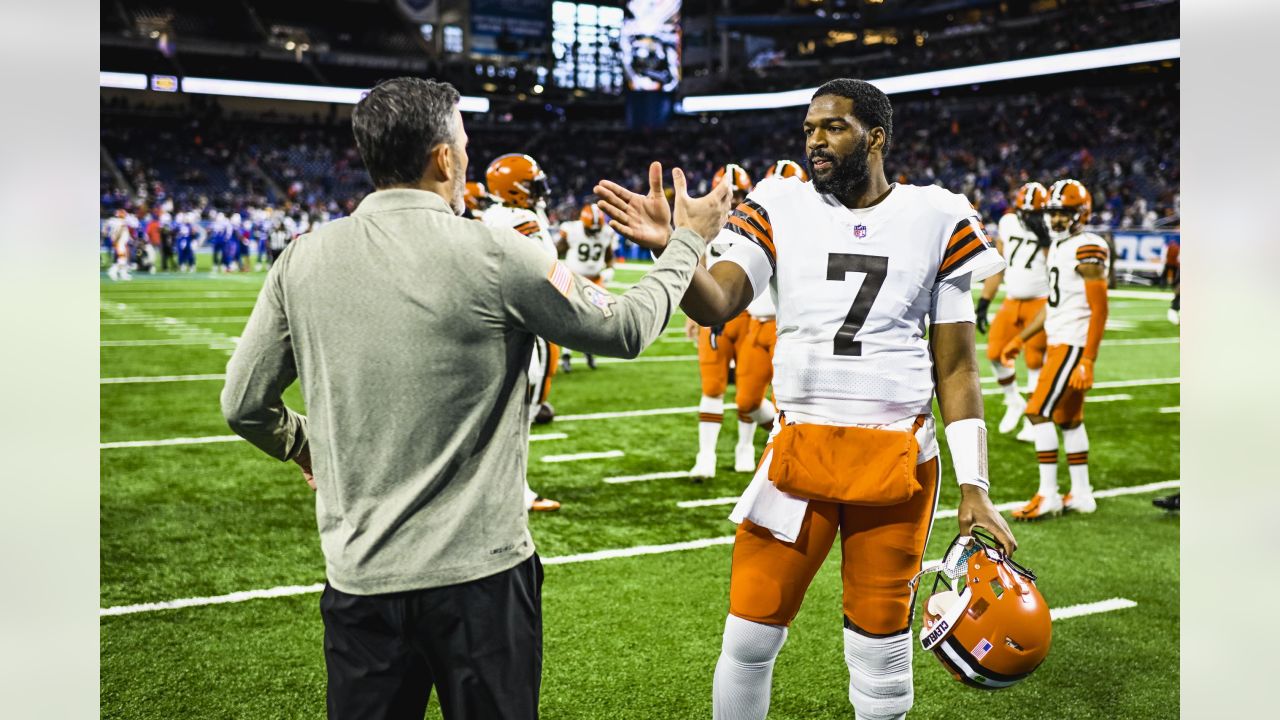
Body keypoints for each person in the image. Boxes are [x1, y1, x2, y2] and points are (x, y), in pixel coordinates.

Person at [221, 77, 730, 720]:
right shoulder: (497, 251)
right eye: (463, 138)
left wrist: (303, 444)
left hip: (359, 578)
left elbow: (243, 403)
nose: (468, 150)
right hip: (480, 578)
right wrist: (686, 241)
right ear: (443, 158)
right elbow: (625, 328)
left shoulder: (301, 259)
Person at [597, 78, 1017, 720]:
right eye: (809, 129)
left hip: (899, 461)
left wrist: (976, 485)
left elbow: (956, 366)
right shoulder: (778, 201)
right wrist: (673, 253)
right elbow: (722, 301)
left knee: (880, 654)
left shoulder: (938, 214)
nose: (816, 141)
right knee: (748, 635)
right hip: (799, 453)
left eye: (833, 127)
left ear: (876, 137)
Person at [1001, 179, 1108, 520]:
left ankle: (1047, 494)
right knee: (1070, 420)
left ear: (1081, 214)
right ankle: (1082, 493)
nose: (1057, 220)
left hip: (1072, 344)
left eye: (1064, 213)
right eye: (1054, 213)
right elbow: (1054, 302)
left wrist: (1088, 358)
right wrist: (1020, 339)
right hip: (1062, 339)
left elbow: (1100, 308)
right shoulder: (1061, 247)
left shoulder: (1087, 246)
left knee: (1037, 411)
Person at [483, 153, 563, 511]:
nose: (539, 190)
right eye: (532, 184)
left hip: (495, 322)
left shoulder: (492, 215)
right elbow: (549, 270)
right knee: (521, 413)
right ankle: (519, 492)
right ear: (514, 188)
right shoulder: (521, 220)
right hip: (524, 323)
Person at [687, 163, 756, 478]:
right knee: (712, 386)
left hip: (750, 316)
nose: (734, 201)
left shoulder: (761, 222)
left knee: (748, 390)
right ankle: (706, 456)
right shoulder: (707, 221)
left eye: (740, 194)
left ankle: (745, 447)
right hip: (716, 318)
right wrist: (694, 313)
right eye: (730, 194)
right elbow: (698, 263)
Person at [976, 181, 1052, 441]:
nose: (1031, 218)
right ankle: (1014, 400)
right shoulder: (1009, 223)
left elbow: (1057, 267)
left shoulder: (1054, 228)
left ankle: (1035, 417)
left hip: (1041, 301)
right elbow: (999, 264)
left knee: (1034, 361)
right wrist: (985, 301)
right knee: (995, 353)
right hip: (1012, 300)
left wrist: (1047, 242)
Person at [556, 203, 617, 371]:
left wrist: (610, 268)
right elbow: (554, 251)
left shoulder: (606, 232)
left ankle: (588, 349)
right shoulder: (572, 230)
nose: (594, 233)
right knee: (571, 317)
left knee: (595, 318)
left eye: (597, 230)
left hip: (595, 280)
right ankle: (567, 354)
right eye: (591, 230)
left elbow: (609, 255)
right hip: (574, 279)